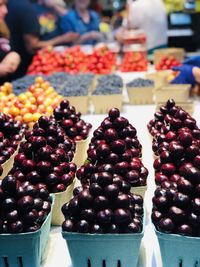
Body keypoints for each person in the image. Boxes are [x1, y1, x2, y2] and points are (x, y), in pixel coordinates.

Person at [6, 0, 79, 78]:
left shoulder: (56, 10)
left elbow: (76, 29)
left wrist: (56, 7)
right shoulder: (29, 9)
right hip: (30, 67)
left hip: (52, 63)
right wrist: (63, 39)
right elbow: (32, 46)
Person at [0, 0, 20, 84]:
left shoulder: (2, 26)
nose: (5, 10)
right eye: (0, 5)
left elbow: (9, 49)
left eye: (5, 5)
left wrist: (15, 55)